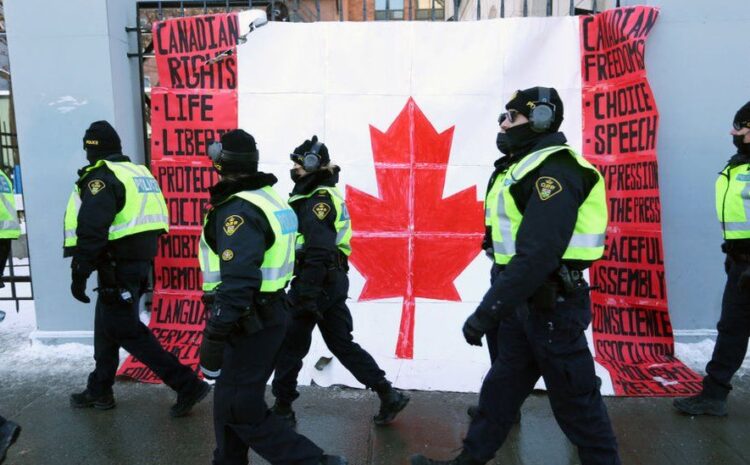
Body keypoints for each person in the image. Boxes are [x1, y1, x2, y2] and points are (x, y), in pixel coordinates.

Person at [410, 87, 620, 465]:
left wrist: (489, 310)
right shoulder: (523, 166)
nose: (503, 124)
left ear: (540, 119)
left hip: (552, 306)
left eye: (512, 117)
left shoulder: (556, 171)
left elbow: (539, 254)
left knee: (577, 406)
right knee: (500, 391)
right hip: (525, 302)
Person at [198, 129, 347, 465]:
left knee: (240, 404)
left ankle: (314, 462)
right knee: (228, 399)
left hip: (248, 319)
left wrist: (216, 332)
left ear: (220, 162)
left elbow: (239, 281)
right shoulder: (269, 197)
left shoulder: (238, 210)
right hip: (268, 314)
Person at [64, 120, 210, 416]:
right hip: (136, 264)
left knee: (126, 331)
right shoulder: (138, 172)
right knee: (107, 327)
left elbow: (92, 228)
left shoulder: (102, 177)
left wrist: (79, 272)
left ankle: (186, 384)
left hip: (116, 265)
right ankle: (100, 388)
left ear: (93, 150)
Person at [269, 136, 409, 427]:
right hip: (330, 280)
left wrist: (306, 293)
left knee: (290, 346)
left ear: (310, 165)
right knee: (341, 343)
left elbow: (319, 248)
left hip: (316, 280)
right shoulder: (318, 195)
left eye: (297, 164)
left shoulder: (317, 199)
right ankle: (388, 393)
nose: (293, 168)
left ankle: (283, 407)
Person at [674, 101, 750, 416]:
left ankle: (714, 394)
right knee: (732, 327)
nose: (732, 131)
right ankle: (713, 396)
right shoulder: (740, 163)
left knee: (732, 326)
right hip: (740, 262)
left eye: (739, 126)